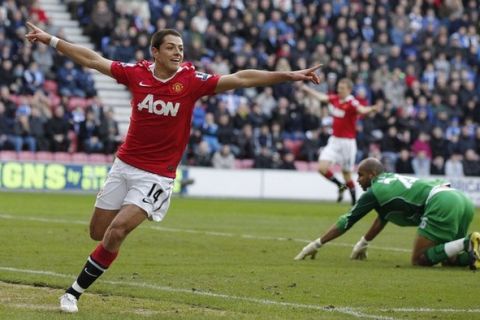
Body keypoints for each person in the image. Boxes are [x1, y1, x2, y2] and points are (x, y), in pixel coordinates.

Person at [25, 22, 321, 313]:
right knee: (97, 232)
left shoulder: (192, 81)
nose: (178, 53)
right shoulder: (136, 74)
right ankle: (101, 257)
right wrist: (50, 39)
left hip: (157, 175)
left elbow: (241, 78)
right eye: (171, 47)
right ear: (155, 51)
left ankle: (72, 293)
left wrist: (289, 75)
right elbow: (92, 59)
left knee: (116, 232)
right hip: (124, 165)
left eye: (181, 48)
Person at [294, 157, 480, 270]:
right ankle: (472, 250)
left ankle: (467, 240)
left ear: (372, 174)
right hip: (460, 199)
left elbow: (347, 220)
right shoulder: (391, 180)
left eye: (360, 175)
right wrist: (364, 242)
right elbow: (384, 215)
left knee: (419, 259)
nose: (357, 180)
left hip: (442, 202)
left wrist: (317, 244)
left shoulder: (374, 191)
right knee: (450, 260)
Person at [301, 79, 377, 205]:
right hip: (334, 141)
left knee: (346, 173)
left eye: (342, 88)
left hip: (347, 143)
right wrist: (308, 90)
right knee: (322, 168)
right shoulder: (336, 99)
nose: (339, 90)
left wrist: (371, 109)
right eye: (339, 87)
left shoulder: (352, 102)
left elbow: (362, 110)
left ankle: (354, 203)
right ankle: (341, 186)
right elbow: (322, 97)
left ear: (349, 90)